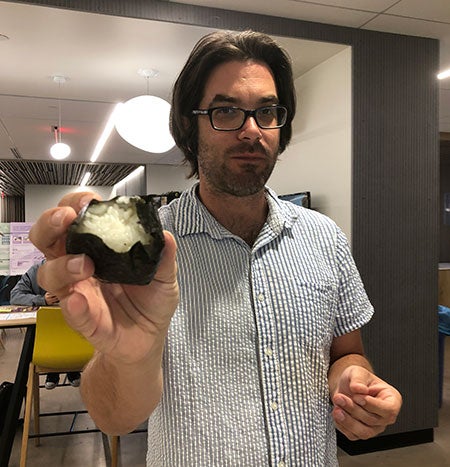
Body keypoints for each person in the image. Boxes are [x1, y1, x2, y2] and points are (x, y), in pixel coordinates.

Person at [29, 30, 402, 466]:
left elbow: (347, 352)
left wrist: (353, 380)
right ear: (190, 125)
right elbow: (114, 419)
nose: (251, 130)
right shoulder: (148, 249)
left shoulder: (325, 236)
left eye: (266, 111)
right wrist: (130, 359)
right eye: (226, 110)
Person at [10, 258, 81, 390]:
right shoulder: (35, 271)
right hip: (47, 334)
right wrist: (42, 300)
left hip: (74, 332)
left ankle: (68, 369)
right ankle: (56, 371)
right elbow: (14, 295)